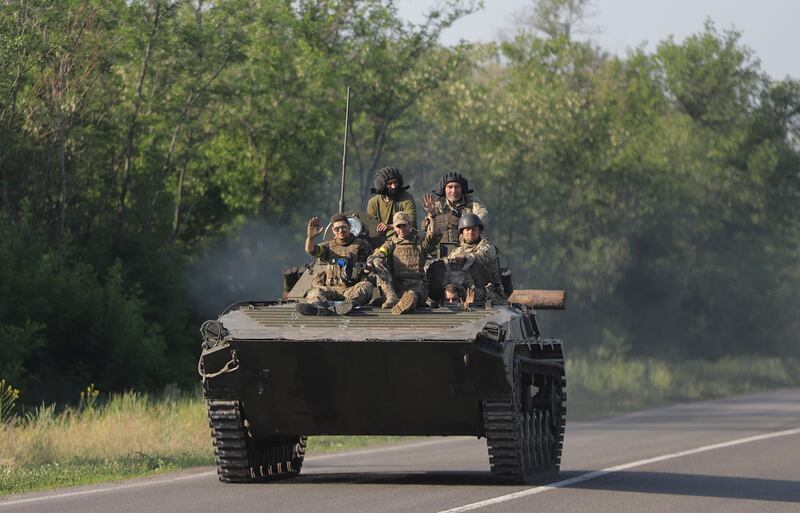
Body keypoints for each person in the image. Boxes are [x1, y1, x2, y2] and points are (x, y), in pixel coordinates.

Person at [298, 213, 374, 316]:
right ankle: (319, 307)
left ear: (350, 227)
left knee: (367, 286)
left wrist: (367, 268)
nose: (341, 230)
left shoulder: (362, 245)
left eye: (344, 227)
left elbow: (370, 263)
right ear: (333, 230)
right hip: (330, 289)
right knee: (315, 292)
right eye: (337, 228)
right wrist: (310, 238)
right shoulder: (327, 247)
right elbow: (311, 250)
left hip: (351, 289)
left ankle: (347, 305)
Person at [368, 211, 441, 314]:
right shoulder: (391, 243)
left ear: (409, 225)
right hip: (396, 287)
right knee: (377, 261)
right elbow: (381, 253)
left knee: (412, 295)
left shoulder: (420, 243)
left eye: (404, 226)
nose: (402, 229)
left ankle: (405, 303)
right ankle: (390, 296)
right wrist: (370, 263)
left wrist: (433, 217)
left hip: (417, 286)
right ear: (394, 228)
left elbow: (434, 236)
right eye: (398, 226)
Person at [442, 213, 506, 304]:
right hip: (464, 292)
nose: (471, 232)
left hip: (491, 292)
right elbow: (448, 264)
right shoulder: (457, 251)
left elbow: (480, 257)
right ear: (462, 233)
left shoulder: (488, 247)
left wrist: (466, 257)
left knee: (474, 293)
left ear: (479, 232)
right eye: (467, 229)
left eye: (474, 229)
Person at [422, 172, 488, 243]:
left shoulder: (472, 203)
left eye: (457, 187)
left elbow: (482, 218)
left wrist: (466, 222)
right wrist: (431, 215)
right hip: (440, 246)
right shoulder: (437, 204)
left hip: (466, 246)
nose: (453, 191)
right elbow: (426, 228)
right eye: (450, 187)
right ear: (444, 189)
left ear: (462, 188)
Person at [367, 167, 417, 239]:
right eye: (389, 184)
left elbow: (411, 222)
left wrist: (389, 226)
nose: (393, 186)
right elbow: (371, 228)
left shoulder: (406, 198)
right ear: (382, 186)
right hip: (381, 242)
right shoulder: (373, 203)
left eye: (395, 182)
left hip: (404, 240)